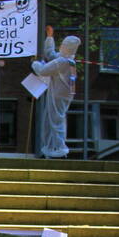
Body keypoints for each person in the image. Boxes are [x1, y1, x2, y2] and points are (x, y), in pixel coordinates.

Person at [31, 25, 81, 159]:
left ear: (67, 47)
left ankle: (59, 149)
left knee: (55, 121)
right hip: (63, 94)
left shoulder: (62, 62)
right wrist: (49, 37)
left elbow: (43, 70)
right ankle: (50, 148)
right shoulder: (67, 60)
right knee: (50, 120)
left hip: (58, 95)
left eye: (63, 45)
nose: (61, 46)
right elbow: (50, 55)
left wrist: (35, 63)